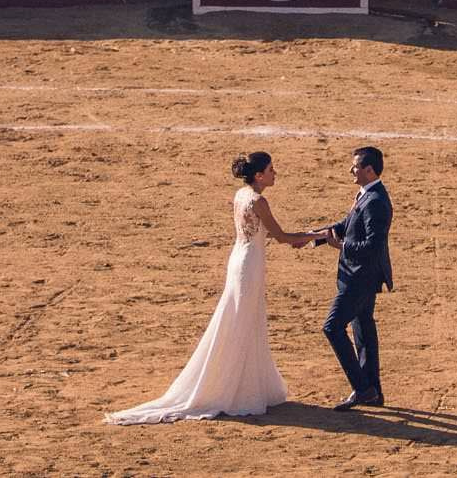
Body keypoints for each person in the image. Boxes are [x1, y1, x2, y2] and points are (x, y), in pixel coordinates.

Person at [105, 151, 314, 424]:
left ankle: (245, 385)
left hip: (241, 259)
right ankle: (235, 388)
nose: (276, 173)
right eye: (272, 170)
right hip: (249, 265)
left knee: (242, 320)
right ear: (259, 175)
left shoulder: (242, 195)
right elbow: (282, 237)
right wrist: (316, 235)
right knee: (243, 323)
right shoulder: (259, 201)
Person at [309, 145, 394, 411]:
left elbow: (371, 246)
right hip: (358, 275)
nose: (351, 170)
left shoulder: (377, 202)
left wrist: (341, 246)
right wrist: (315, 236)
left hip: (361, 277)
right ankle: (373, 392)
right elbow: (346, 225)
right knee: (363, 330)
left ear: (369, 170)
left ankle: (362, 388)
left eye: (355, 166)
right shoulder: (367, 195)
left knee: (332, 327)